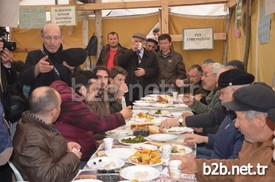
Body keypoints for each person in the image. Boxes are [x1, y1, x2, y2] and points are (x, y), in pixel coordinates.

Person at [170, 82, 275, 181]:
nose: (236, 124)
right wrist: (198, 167)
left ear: (259, 120)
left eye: (238, 118)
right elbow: (238, 167)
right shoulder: (252, 137)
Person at [50, 80, 133, 164]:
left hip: (81, 147)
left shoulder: (67, 97)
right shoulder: (70, 100)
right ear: (83, 89)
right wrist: (121, 116)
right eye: (94, 90)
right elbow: (96, 123)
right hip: (79, 156)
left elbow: (86, 125)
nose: (96, 93)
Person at [12, 87, 81, 182]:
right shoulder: (31, 140)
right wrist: (73, 157)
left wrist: (66, 147)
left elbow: (47, 149)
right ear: (54, 111)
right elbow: (46, 178)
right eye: (59, 105)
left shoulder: (37, 122)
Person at [19, 23, 87, 94]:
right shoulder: (33, 56)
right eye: (48, 37)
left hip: (64, 101)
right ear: (42, 38)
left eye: (56, 38)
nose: (52, 42)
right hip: (39, 102)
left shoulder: (69, 56)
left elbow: (79, 85)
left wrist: (73, 70)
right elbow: (23, 80)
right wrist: (36, 69)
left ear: (61, 38)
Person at [119, 32, 158, 105]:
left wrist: (145, 71)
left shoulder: (151, 55)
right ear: (133, 42)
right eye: (136, 41)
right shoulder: (126, 52)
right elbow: (120, 63)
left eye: (140, 41)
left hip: (145, 88)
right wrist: (132, 51)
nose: (138, 43)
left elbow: (156, 70)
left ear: (144, 43)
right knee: (129, 108)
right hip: (130, 87)